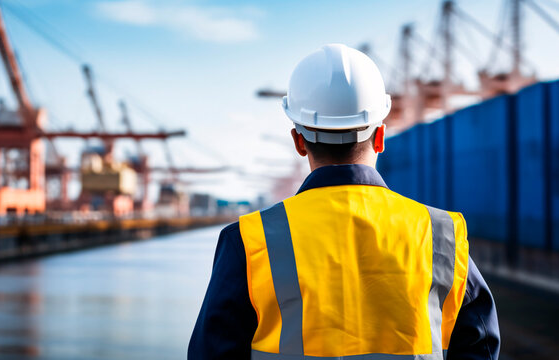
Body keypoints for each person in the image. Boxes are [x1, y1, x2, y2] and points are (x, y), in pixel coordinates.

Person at [188, 44, 499, 360]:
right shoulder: (441, 235)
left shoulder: (249, 240)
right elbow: (480, 347)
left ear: (299, 142)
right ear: (380, 137)